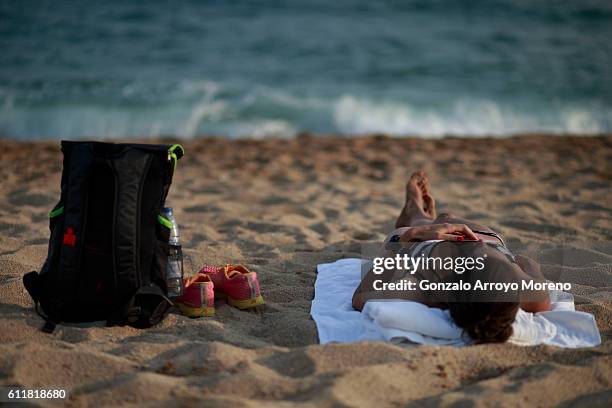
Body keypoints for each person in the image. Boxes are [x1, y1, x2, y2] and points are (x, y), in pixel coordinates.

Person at [352, 171, 551, 343]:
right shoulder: (529, 293)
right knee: (447, 217)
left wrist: (406, 240)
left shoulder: (422, 289)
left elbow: (360, 298)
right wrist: (511, 263)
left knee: (438, 221)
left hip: (424, 245)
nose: (477, 244)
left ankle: (415, 213)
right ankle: (423, 216)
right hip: (492, 243)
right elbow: (529, 262)